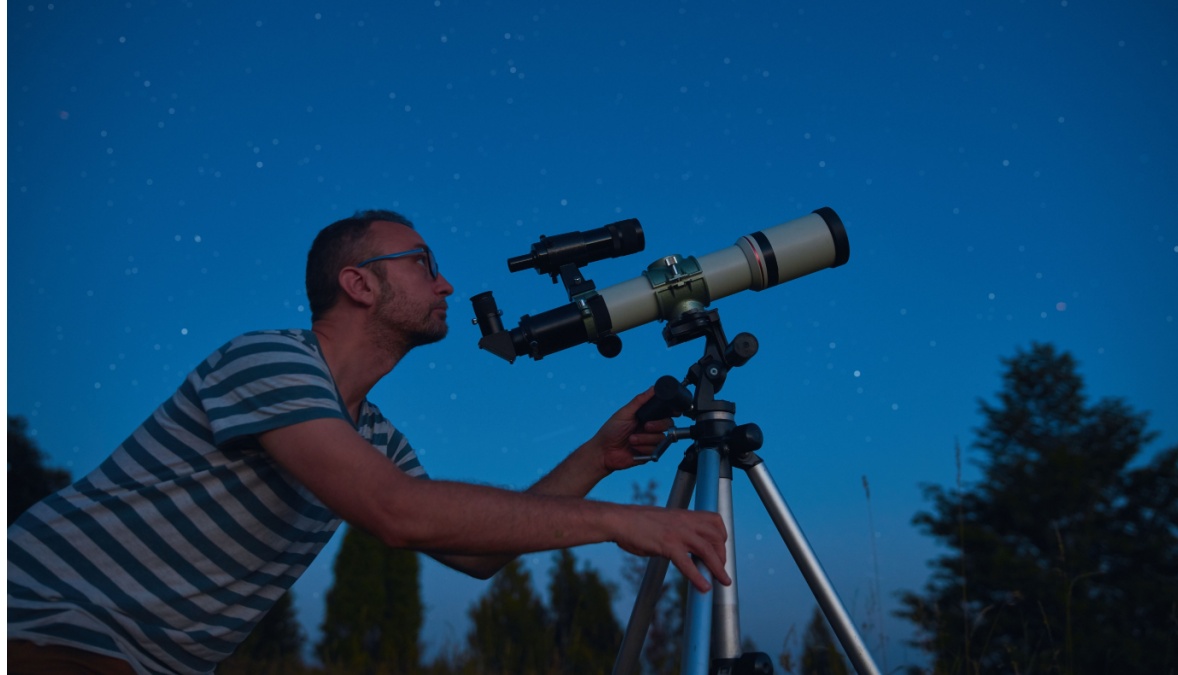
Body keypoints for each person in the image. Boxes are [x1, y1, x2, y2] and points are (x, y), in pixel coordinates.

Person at [7, 209, 730, 675]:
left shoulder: (372, 433)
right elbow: (398, 511)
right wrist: (623, 521)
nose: (447, 284)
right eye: (422, 262)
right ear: (357, 283)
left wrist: (597, 458)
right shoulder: (271, 360)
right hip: (45, 624)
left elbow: (476, 552)